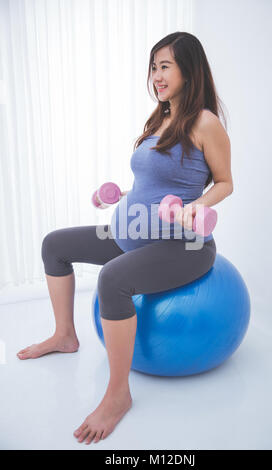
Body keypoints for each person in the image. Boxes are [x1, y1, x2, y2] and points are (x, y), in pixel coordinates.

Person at [16, 31, 233, 444]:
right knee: (54, 245)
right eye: (153, 67)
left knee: (113, 279)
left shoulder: (205, 122)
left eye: (165, 66)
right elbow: (151, 181)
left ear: (189, 68)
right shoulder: (159, 117)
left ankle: (117, 396)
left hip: (182, 245)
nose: (156, 75)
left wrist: (197, 206)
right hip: (131, 231)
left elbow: (225, 182)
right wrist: (114, 194)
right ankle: (65, 335)